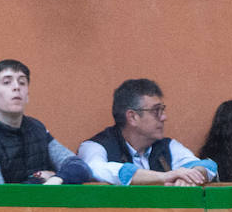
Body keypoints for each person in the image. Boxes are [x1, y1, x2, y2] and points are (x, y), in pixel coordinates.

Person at [0, 60, 91, 185]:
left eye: (22, 83)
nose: (16, 87)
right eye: (7, 82)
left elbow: (79, 166)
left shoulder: (38, 130)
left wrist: (57, 178)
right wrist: (39, 180)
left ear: (27, 95)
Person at [77, 78, 216, 186]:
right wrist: (164, 177)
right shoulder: (94, 146)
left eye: (162, 110)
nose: (163, 117)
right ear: (132, 117)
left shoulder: (167, 146)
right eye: (156, 111)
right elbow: (96, 169)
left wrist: (191, 176)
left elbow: (207, 166)